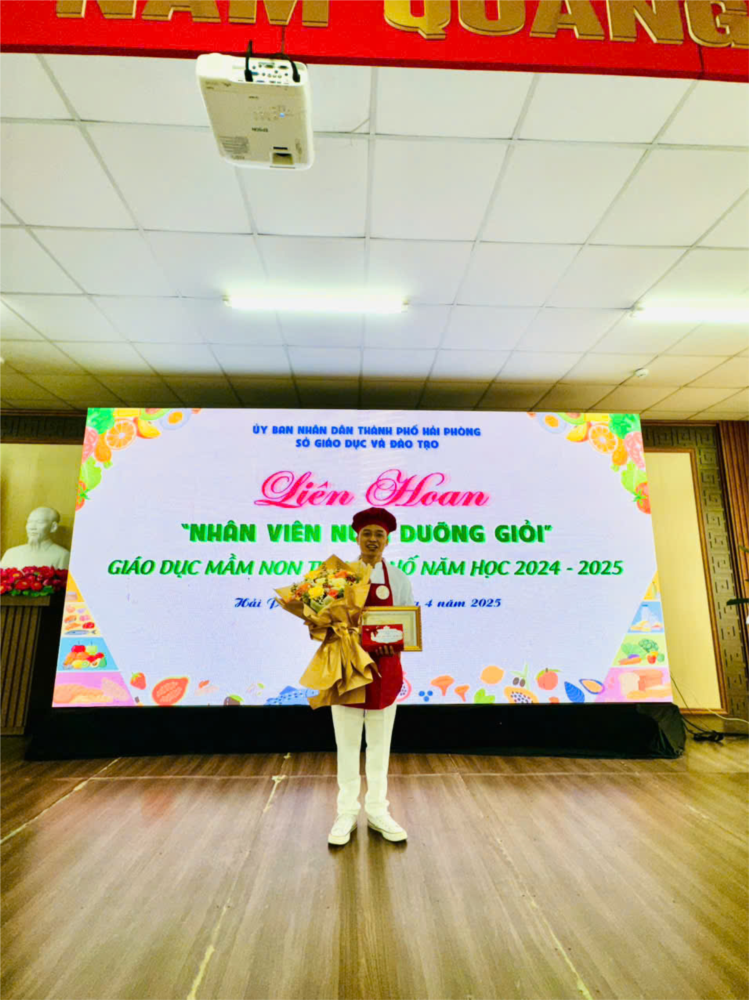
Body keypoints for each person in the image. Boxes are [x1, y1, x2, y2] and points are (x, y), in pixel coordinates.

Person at [328, 506, 414, 847]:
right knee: (347, 745)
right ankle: (346, 812)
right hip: (347, 668)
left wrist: (394, 640)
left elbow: (408, 623)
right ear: (357, 537)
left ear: (387, 540)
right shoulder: (339, 576)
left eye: (380, 534)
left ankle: (378, 810)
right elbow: (323, 623)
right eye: (367, 534)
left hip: (385, 669)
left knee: (380, 745)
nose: (373, 540)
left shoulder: (400, 578)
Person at [0, 507, 70, 570]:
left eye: (40, 522)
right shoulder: (11, 553)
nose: (32, 527)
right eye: (29, 522)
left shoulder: (63, 555)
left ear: (53, 527)